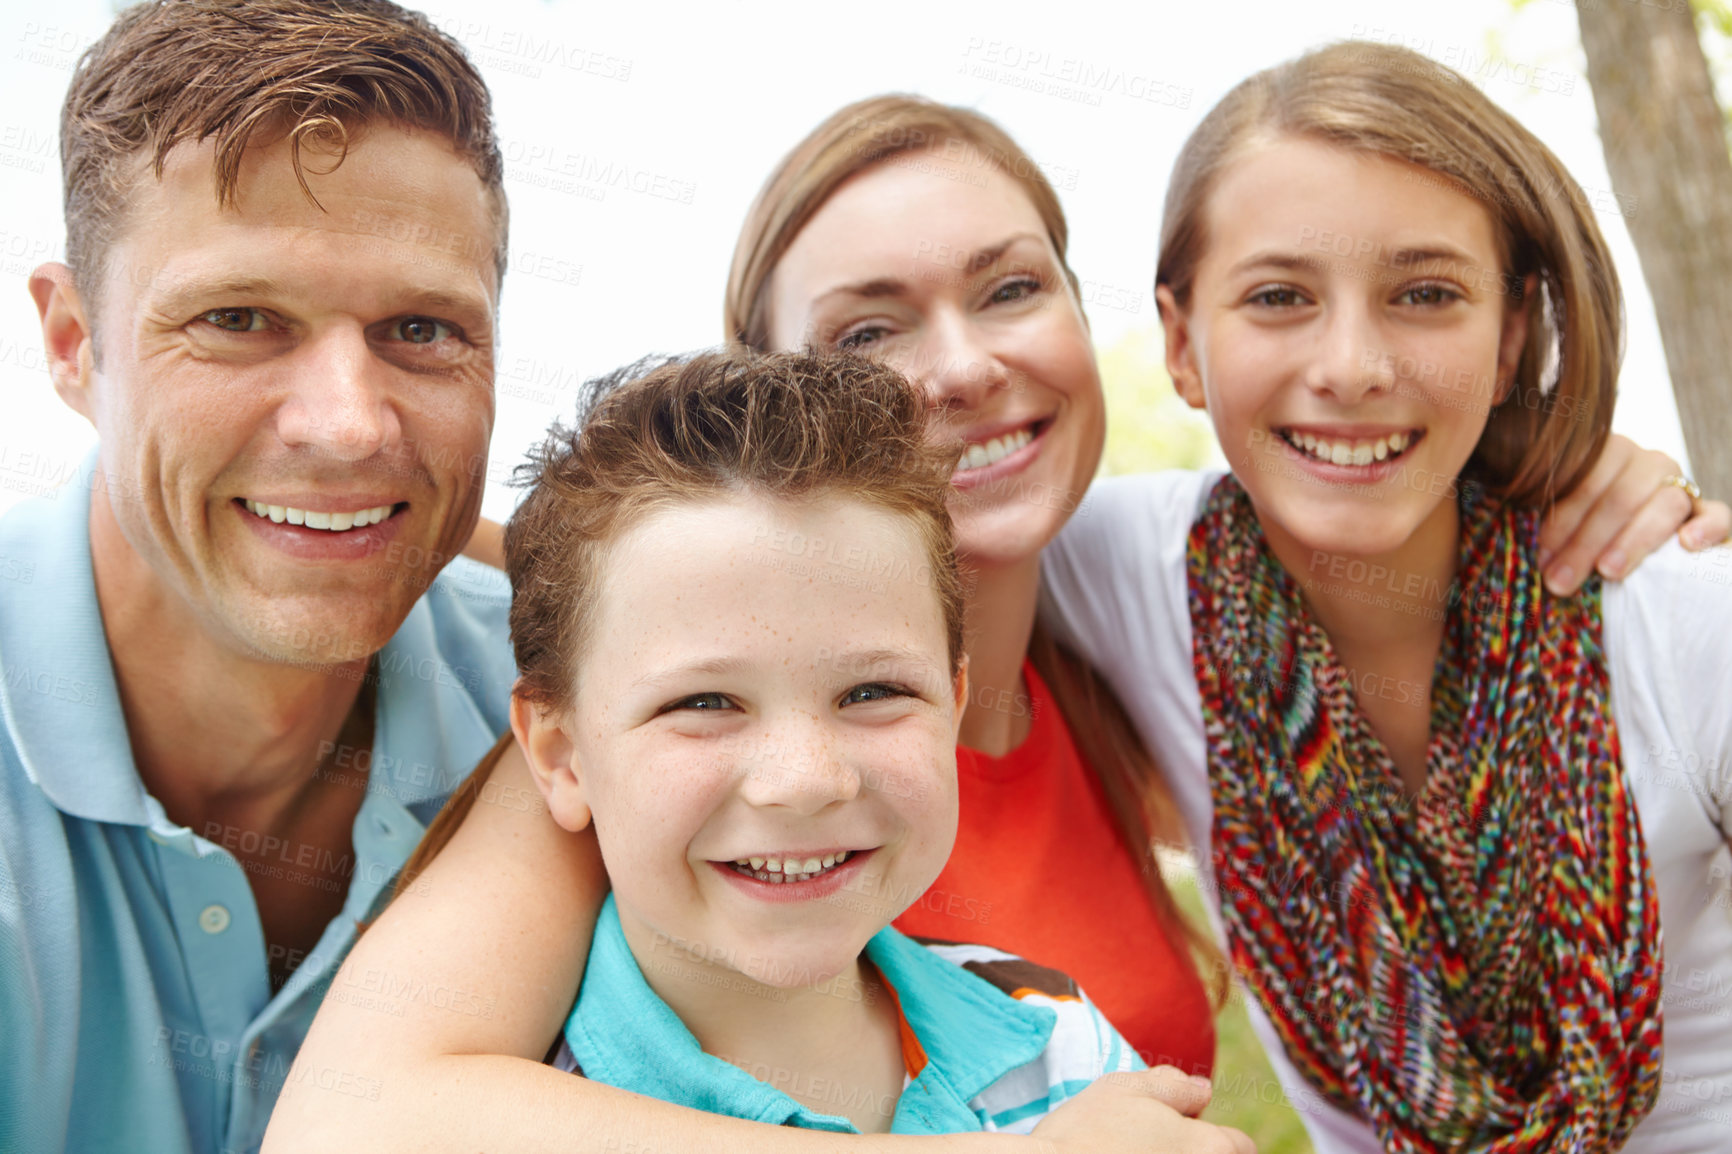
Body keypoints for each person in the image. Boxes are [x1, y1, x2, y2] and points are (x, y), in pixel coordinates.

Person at [280, 86, 1726, 1151]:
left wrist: (1562, 464)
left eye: (1010, 288)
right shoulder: (688, 762)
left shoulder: (1135, 605)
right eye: (868, 331)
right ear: (780, 408)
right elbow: (362, 1116)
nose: (963, 366)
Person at [1037, 39, 1732, 1154]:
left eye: (1424, 293)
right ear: (1180, 343)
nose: (1352, 364)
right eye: (1276, 297)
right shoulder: (1114, 569)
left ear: (1510, 336)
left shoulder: (1681, 616)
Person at [0, 2, 533, 1152]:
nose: (346, 426)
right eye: (238, 318)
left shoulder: (572, 712)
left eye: (422, 329)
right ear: (71, 342)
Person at [438, 350, 1152, 1135]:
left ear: (953, 703)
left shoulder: (1059, 1043)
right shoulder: (478, 1119)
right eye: (704, 702)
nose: (807, 780)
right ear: (559, 754)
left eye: (874, 692)